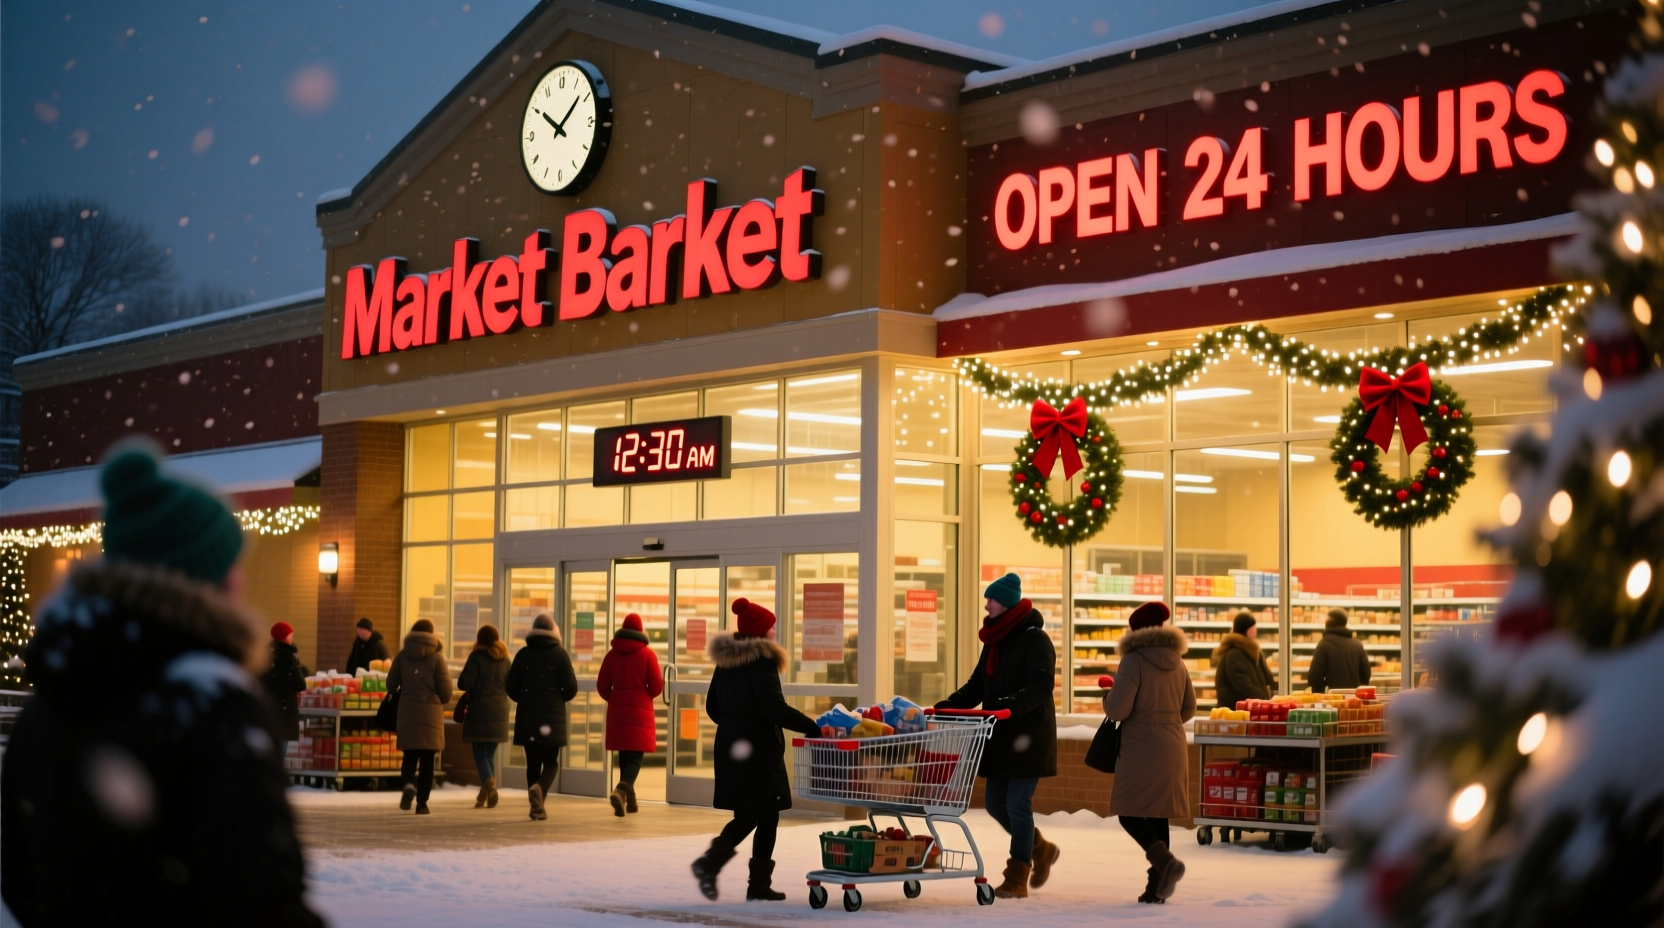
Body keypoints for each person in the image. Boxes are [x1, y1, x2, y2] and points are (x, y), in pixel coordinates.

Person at [0, 441, 324, 927]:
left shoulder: (49, 702)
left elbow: (20, 876)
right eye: (228, 566)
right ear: (203, 578)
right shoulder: (209, 701)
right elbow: (261, 891)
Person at [935, 572, 1059, 900]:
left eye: (990, 599)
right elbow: (978, 684)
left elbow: (1041, 686)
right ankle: (1040, 848)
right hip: (1000, 736)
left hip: (1028, 736)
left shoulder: (1035, 639)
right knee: (993, 804)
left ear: (1005, 604)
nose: (986, 605)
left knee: (1018, 803)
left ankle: (1018, 875)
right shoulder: (995, 641)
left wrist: (1009, 705)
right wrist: (947, 706)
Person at [692, 598, 820, 902]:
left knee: (752, 814)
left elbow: (713, 706)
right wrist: (811, 727)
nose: (775, 631)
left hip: (732, 746)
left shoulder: (727, 661)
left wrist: (734, 724)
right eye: (771, 627)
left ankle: (728, 871)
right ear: (761, 633)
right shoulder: (762, 660)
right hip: (758, 750)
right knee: (765, 814)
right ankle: (745, 879)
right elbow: (774, 709)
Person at [1103, 601, 1196, 904]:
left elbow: (1118, 709)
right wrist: (1165, 721)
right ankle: (1156, 887)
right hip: (1173, 744)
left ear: (1137, 630)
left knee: (1128, 811)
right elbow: (1189, 708)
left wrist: (1107, 696)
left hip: (1141, 745)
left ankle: (1166, 864)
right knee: (1158, 815)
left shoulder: (1133, 661)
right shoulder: (1178, 661)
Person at [506, 613, 578, 821]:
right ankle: (540, 790)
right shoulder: (561, 655)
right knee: (551, 763)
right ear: (554, 632)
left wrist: (526, 699)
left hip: (528, 717)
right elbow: (571, 688)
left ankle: (535, 805)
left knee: (533, 763)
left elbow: (511, 687)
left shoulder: (523, 655)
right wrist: (557, 698)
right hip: (552, 718)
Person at [596, 612, 664, 817]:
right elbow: (657, 686)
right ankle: (621, 790)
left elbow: (602, 686)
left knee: (624, 757)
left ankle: (628, 802)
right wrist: (645, 694)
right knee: (635, 759)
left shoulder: (611, 655)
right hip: (640, 712)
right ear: (640, 630)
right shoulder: (647, 654)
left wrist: (615, 698)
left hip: (618, 711)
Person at [389, 618, 452, 815]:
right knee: (427, 760)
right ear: (432, 634)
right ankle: (422, 803)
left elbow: (391, 685)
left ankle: (408, 783)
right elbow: (446, 692)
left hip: (407, 711)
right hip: (430, 714)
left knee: (409, 755)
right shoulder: (437, 658)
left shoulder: (402, 656)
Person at [457, 624, 511, 809]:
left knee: (480, 754)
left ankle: (490, 785)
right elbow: (511, 685)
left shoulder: (477, 657)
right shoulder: (505, 658)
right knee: (489, 755)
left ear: (479, 640)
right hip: (500, 711)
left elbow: (464, 683)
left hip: (480, 710)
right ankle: (485, 793)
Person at [260, 621, 310, 762]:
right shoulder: (289, 658)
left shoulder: (264, 655)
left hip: (267, 707)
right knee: (281, 746)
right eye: (290, 634)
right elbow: (299, 684)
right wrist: (300, 671)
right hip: (285, 709)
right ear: (286, 637)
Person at [1212, 611, 1273, 712]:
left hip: (1250, 709)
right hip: (1236, 712)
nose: (1255, 629)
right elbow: (1243, 685)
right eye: (1253, 626)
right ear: (1246, 629)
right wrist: (1263, 698)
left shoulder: (1253, 651)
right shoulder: (1234, 654)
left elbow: (1267, 678)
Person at [1309, 608, 1373, 693]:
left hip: (1331, 700)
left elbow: (1314, 678)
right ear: (1345, 623)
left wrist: (1324, 692)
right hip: (1355, 699)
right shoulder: (1358, 645)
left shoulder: (1324, 645)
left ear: (1327, 623)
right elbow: (1366, 676)